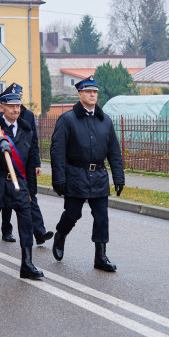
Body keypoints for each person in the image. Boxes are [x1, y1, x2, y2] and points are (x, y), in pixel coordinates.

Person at [49, 76, 124, 272]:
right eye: (88, 92)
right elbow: (57, 151)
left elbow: (114, 152)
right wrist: (59, 178)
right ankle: (60, 234)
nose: (92, 95)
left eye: (95, 92)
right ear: (80, 94)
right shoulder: (67, 119)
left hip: (99, 176)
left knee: (101, 217)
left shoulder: (105, 120)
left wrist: (119, 177)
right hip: (75, 175)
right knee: (73, 214)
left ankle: (100, 257)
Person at [0, 84, 44, 280]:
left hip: (20, 184)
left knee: (25, 222)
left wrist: (31, 190)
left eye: (18, 105)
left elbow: (31, 158)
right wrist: (0, 142)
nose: (16, 110)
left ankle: (27, 263)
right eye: (11, 106)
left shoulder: (26, 127)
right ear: (2, 107)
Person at [0, 96, 53, 246]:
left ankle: (40, 232)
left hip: (24, 166)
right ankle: (6, 229)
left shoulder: (28, 116)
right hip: (7, 167)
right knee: (6, 202)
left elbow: (33, 142)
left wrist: (36, 163)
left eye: (19, 99)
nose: (16, 107)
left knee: (31, 197)